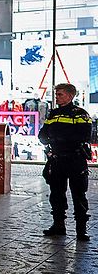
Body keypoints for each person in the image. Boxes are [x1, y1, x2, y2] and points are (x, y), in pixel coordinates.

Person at [39, 83, 92, 242]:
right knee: (56, 194)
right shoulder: (53, 114)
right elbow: (42, 135)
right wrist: (54, 142)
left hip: (75, 159)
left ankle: (81, 231)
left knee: (79, 194)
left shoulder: (80, 114)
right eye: (56, 94)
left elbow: (84, 135)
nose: (57, 97)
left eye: (60, 94)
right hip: (57, 159)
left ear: (70, 96)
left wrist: (59, 139)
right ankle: (58, 226)